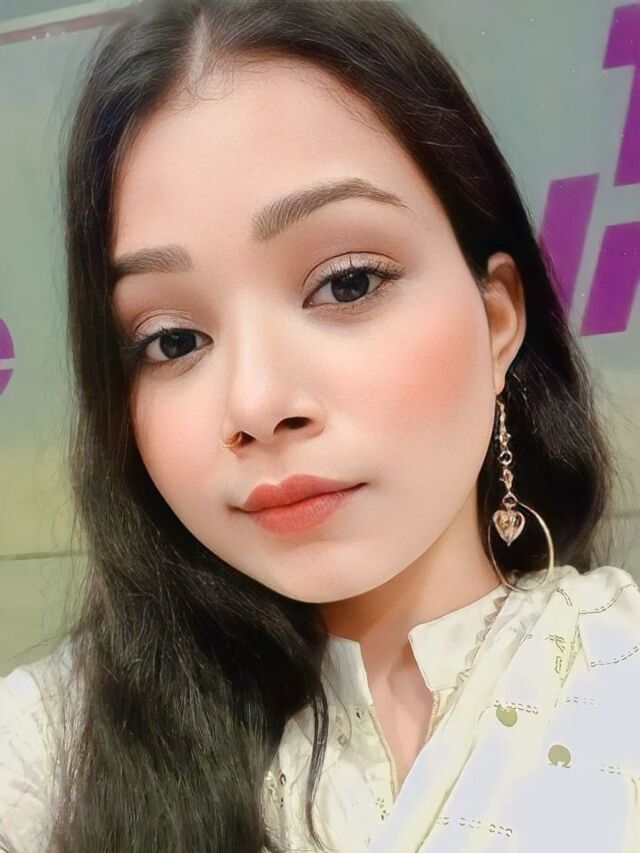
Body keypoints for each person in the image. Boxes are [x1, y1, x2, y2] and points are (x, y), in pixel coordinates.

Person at [1, 0, 638, 850]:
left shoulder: (618, 682)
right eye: (173, 340)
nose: (257, 403)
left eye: (346, 283)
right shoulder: (43, 758)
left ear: (496, 321)